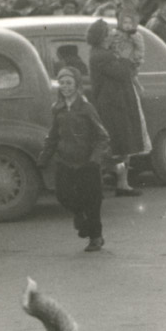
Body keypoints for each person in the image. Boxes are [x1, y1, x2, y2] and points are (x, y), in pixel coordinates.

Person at [37, 66, 111, 252]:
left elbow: (103, 137)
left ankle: (96, 238)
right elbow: (53, 136)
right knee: (63, 196)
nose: (65, 86)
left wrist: (95, 159)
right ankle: (79, 215)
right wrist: (44, 158)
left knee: (92, 201)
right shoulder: (57, 109)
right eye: (61, 83)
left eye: (68, 83)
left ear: (77, 85)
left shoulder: (86, 108)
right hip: (65, 161)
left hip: (87, 162)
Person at [87, 19, 146, 197]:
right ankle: (114, 184)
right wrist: (128, 57)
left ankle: (122, 184)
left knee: (120, 147)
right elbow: (123, 73)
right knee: (114, 148)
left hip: (115, 104)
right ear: (103, 36)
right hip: (113, 106)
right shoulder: (102, 55)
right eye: (109, 31)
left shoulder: (102, 53)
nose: (113, 33)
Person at [107, 6, 146, 73]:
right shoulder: (114, 34)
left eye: (130, 23)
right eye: (125, 23)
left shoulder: (137, 36)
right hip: (116, 64)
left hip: (131, 64)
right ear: (120, 22)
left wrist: (135, 60)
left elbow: (140, 49)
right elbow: (109, 47)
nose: (128, 25)